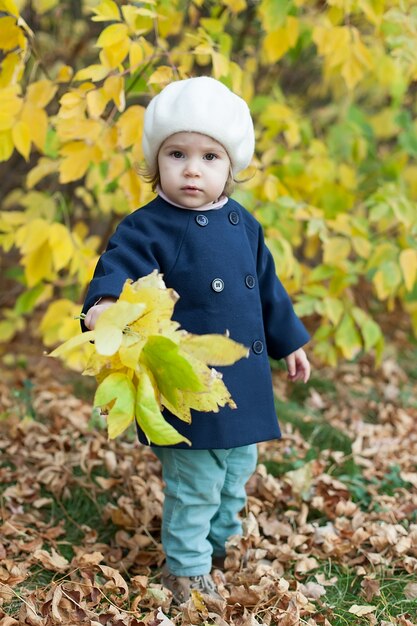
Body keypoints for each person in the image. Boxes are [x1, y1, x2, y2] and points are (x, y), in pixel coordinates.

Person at [82, 76, 311, 604]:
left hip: (243, 381)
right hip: (188, 382)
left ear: (231, 167)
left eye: (210, 157)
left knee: (238, 468)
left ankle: (222, 539)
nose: (192, 168)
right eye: (177, 153)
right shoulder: (148, 227)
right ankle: (186, 568)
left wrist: (289, 340)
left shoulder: (243, 224)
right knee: (196, 479)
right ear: (155, 162)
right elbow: (116, 269)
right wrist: (106, 307)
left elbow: (267, 290)